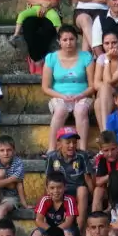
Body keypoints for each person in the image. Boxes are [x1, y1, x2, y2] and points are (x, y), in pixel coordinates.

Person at [43, 26, 95, 154]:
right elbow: (45, 87)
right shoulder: (51, 58)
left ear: (76, 40)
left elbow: (92, 86)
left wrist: (81, 95)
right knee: (60, 110)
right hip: (59, 97)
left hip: (82, 96)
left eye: (71, 39)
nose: (68, 43)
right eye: (65, 40)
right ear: (59, 41)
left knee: (81, 110)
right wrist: (62, 96)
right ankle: (52, 149)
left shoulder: (86, 57)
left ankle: (82, 150)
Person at [44, 127, 94, 236]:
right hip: (60, 190)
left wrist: (93, 197)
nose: (72, 145)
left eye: (74, 142)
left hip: (77, 191)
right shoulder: (52, 157)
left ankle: (79, 229)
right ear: (59, 143)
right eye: (68, 142)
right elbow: (48, 178)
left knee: (82, 190)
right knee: (55, 189)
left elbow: (88, 177)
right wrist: (47, 197)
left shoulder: (82, 156)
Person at [0, 136, 27, 236]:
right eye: (2, 150)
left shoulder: (18, 163)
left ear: (14, 151)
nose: (6, 153)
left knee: (2, 209)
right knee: (0, 173)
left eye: (9, 150)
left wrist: (24, 203)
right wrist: (12, 181)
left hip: (11, 197)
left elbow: (19, 184)